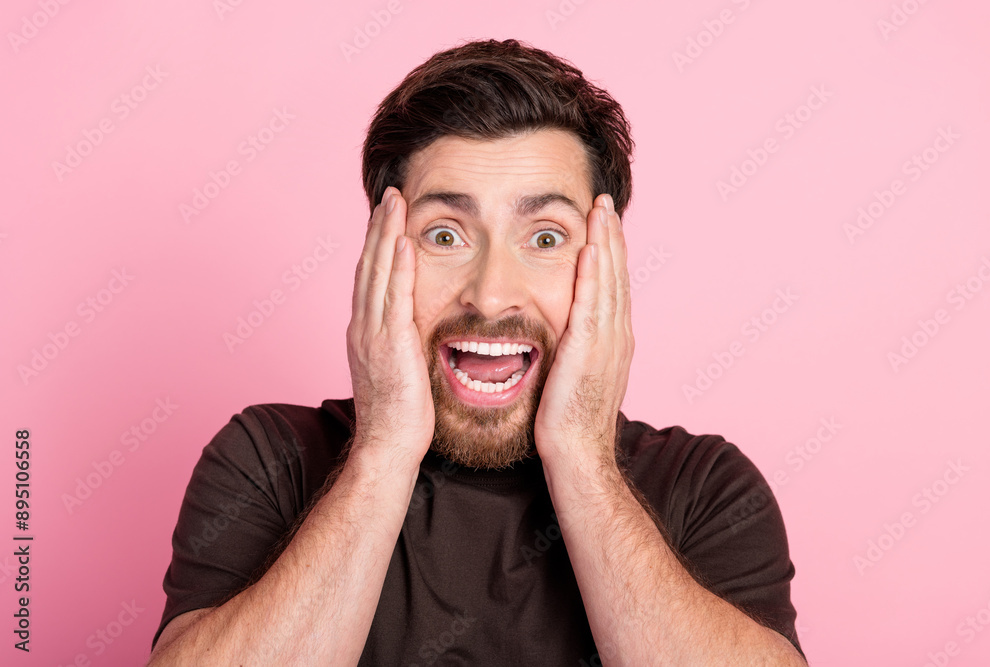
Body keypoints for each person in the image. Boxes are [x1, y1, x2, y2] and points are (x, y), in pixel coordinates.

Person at [147, 38, 807, 665]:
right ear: (380, 253)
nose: (491, 296)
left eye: (545, 238)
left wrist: (581, 454)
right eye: (444, 234)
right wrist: (382, 451)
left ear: (607, 265)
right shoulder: (269, 456)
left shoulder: (706, 485)